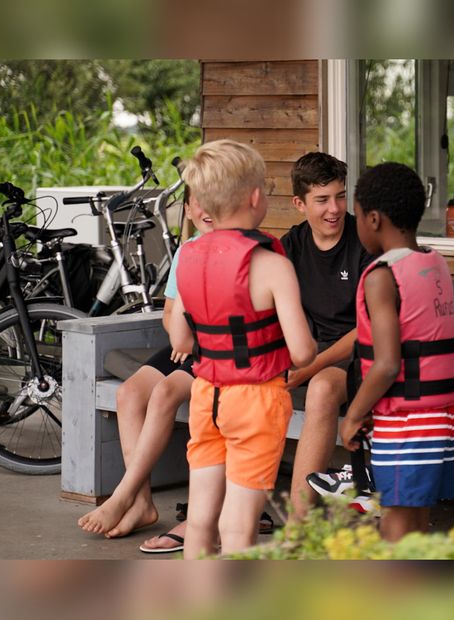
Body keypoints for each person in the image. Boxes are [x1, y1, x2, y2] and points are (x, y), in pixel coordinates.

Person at [165, 139, 315, 557]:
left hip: (205, 395)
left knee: (199, 519)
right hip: (256, 400)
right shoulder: (272, 265)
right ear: (254, 197)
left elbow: (179, 340)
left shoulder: (189, 256)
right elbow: (303, 354)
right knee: (238, 527)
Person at [77, 182, 214, 551]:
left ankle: (123, 496)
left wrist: (190, 340)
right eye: (196, 203)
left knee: (165, 392)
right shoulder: (188, 250)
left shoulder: (232, 250)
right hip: (186, 345)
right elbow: (170, 313)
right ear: (187, 210)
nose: (205, 210)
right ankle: (142, 503)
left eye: (211, 201)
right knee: (129, 392)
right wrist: (181, 336)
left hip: (217, 349)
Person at [335, 162, 454, 542]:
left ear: (373, 219)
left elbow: (387, 365)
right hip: (441, 418)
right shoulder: (433, 261)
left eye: (354, 216)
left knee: (394, 527)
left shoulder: (381, 276)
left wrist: (353, 415)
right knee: (416, 523)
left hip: (408, 425)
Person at [279, 152, 374, 519]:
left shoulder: (364, 240)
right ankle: (238, 505)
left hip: (363, 356)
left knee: (319, 389)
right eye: (322, 200)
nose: (334, 209)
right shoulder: (292, 245)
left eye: (339, 196)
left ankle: (299, 524)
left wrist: (308, 367)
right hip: (310, 352)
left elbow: (368, 327)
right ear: (299, 204)